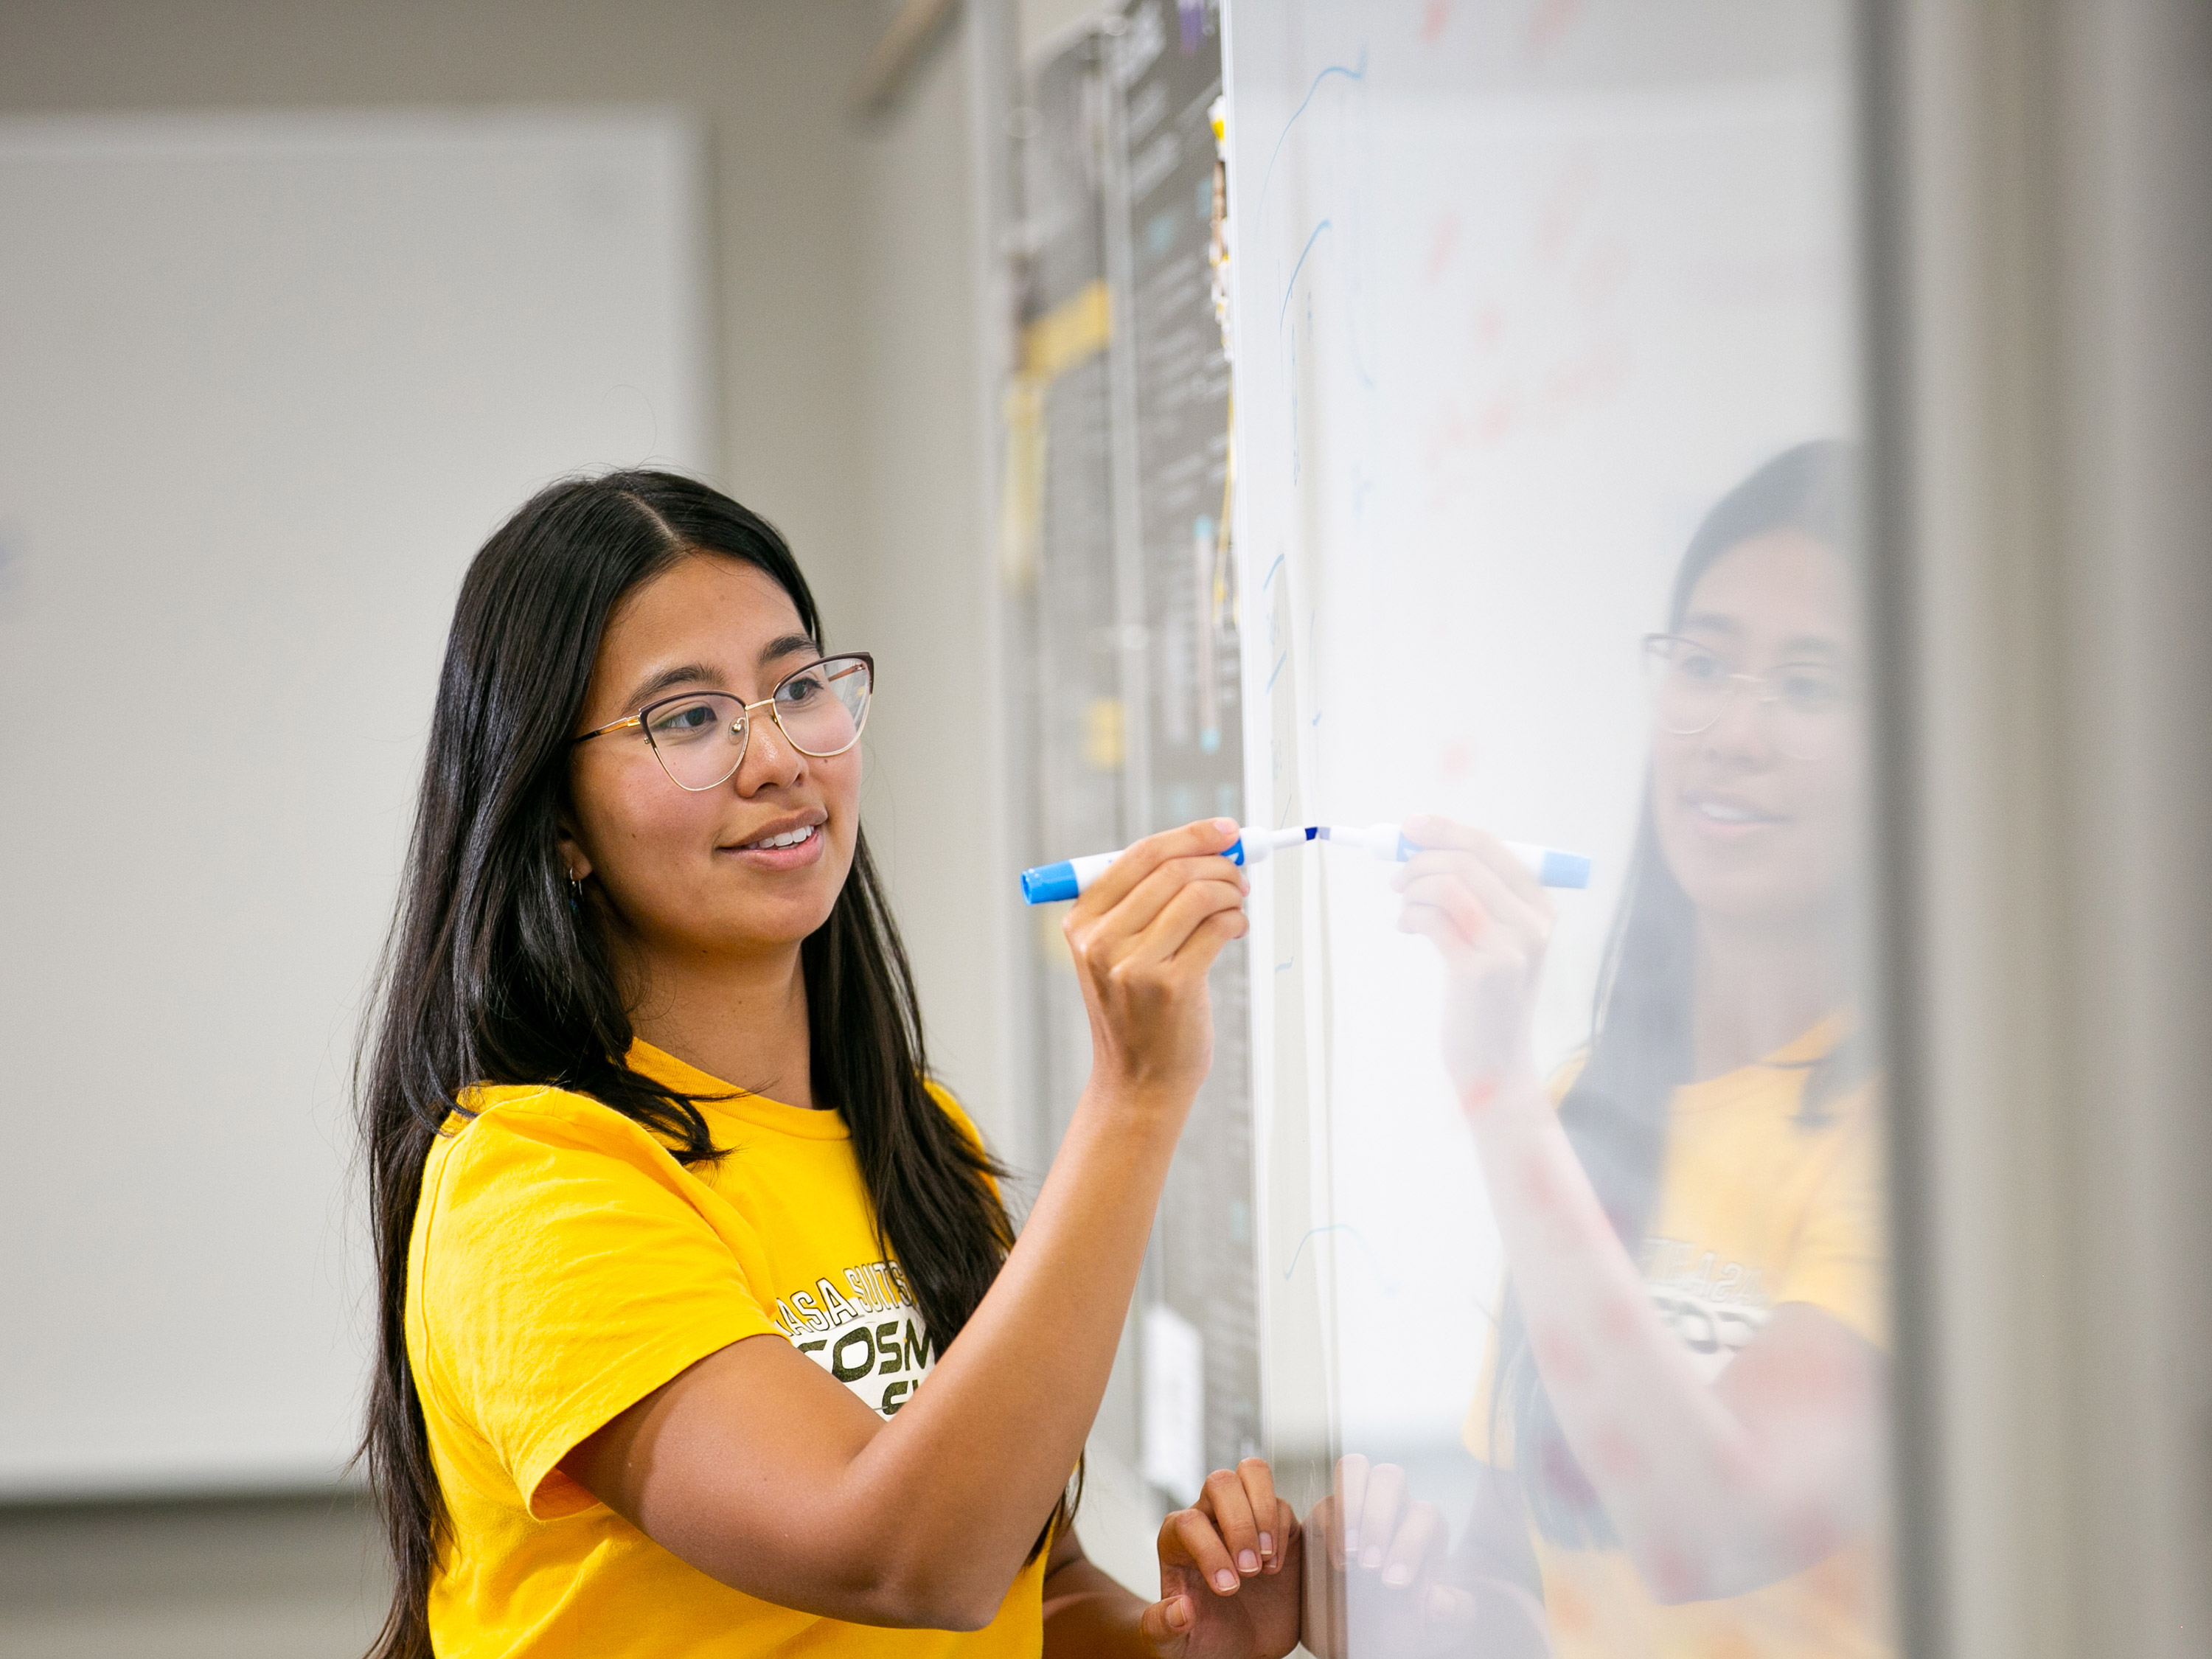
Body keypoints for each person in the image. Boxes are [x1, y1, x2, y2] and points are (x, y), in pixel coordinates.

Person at [355, 470, 1302, 1659]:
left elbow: (1029, 1580)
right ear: (557, 820)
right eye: (687, 718)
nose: (777, 758)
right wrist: (1138, 1096)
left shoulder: (915, 1137)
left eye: (798, 687)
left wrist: (1181, 1640)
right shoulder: (533, 1188)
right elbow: (904, 1555)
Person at [1310, 441, 1891, 1657]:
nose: (1733, 730)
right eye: (1705, 664)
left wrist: (1497, 1089)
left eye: (1808, 684)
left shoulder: (1917, 1132)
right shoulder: (1595, 1096)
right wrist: (1410, 1607)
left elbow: (1709, 1530)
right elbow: (1526, 1571)